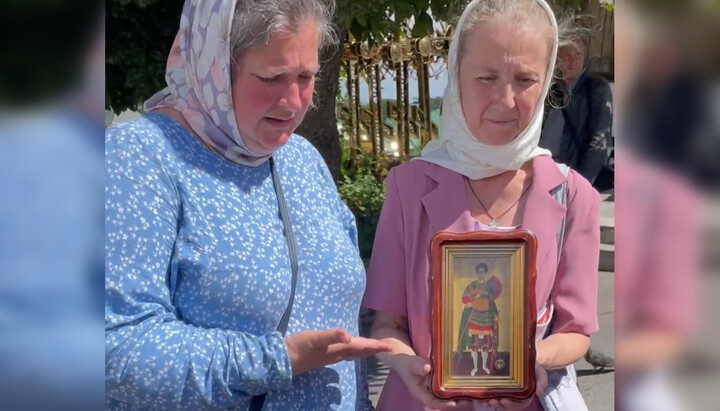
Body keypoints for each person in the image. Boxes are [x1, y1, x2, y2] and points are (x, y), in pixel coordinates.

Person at [104, 1, 390, 410]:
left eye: (306, 76)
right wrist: (275, 361)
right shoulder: (139, 160)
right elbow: (116, 344)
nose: (293, 102)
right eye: (272, 77)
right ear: (214, 66)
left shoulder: (302, 160)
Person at [362, 0, 600, 410]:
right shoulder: (408, 187)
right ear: (456, 75)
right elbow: (388, 325)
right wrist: (409, 368)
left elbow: (576, 330)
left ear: (546, 83)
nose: (505, 100)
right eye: (486, 77)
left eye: (525, 78)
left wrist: (531, 364)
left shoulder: (573, 195)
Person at [540, 38, 614, 188]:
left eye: (578, 55)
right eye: (567, 56)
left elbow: (599, 142)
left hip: (571, 174)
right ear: (557, 59)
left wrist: (580, 185)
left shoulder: (595, 87)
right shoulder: (551, 89)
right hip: (543, 170)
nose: (573, 61)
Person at [457, 263, 502, 376]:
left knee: (486, 344)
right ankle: (475, 367)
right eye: (479, 271)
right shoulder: (471, 286)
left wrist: (495, 315)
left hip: (487, 317)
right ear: (476, 273)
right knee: (475, 344)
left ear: (486, 273)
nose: (481, 274)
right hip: (475, 316)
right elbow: (464, 299)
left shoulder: (488, 286)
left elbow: (491, 302)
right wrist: (473, 299)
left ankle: (484, 366)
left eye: (483, 272)